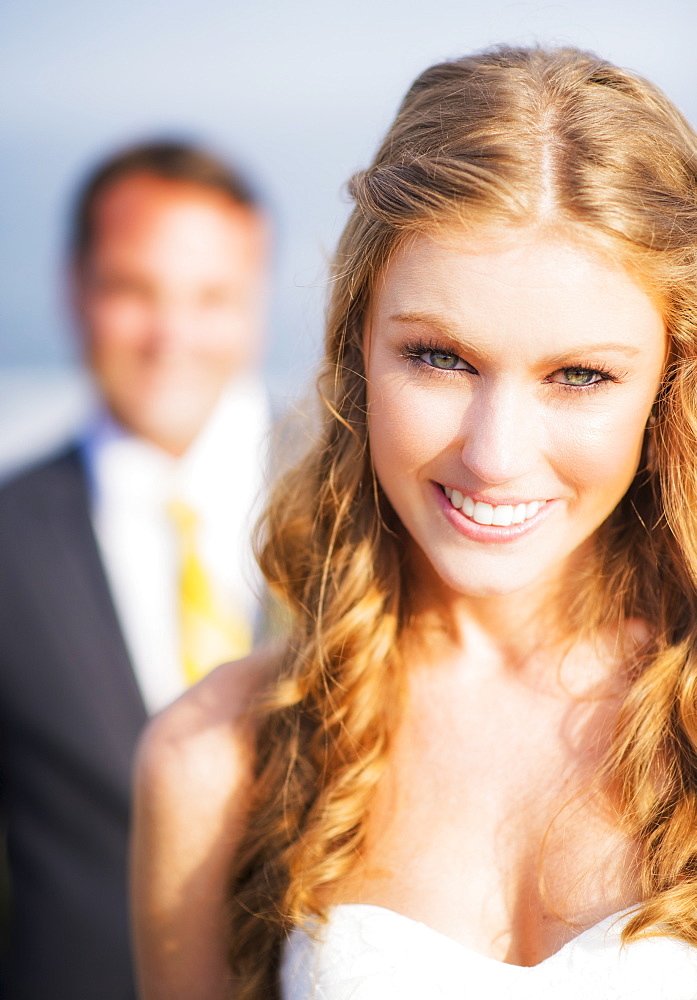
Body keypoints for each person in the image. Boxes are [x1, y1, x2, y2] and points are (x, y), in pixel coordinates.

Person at [132, 47, 697, 1000]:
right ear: (356, 345)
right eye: (439, 358)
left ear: (668, 385)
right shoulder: (214, 760)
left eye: (581, 376)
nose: (494, 454)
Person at [0, 140, 271, 999]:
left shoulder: (366, 503)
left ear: (255, 303)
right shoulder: (8, 537)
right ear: (74, 290)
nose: (172, 335)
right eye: (133, 290)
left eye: (211, 297)